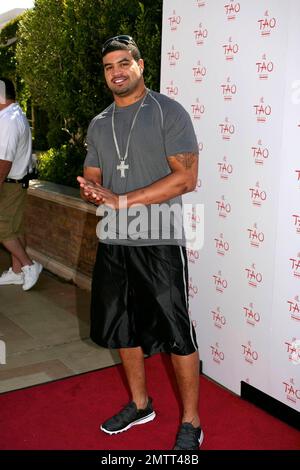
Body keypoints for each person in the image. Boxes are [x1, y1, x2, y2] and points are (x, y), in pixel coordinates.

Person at [78, 36, 203, 450]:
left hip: (160, 240)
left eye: (124, 62)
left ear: (140, 65)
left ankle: (191, 421)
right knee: (122, 328)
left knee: (177, 333)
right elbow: (93, 173)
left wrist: (122, 199)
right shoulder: (99, 123)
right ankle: (140, 403)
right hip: (114, 239)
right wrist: (92, 189)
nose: (116, 70)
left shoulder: (169, 112)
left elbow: (186, 178)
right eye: (109, 65)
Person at [0, 78, 42, 291]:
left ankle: (28, 265)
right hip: (15, 182)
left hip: (10, 182)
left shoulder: (8, 120)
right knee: (15, 228)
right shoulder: (12, 114)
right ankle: (17, 272)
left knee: (3, 228)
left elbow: (3, 162)